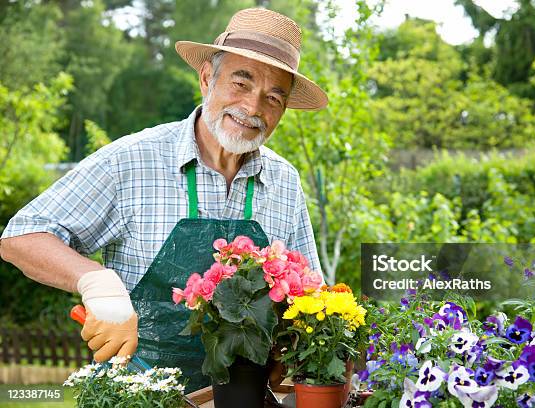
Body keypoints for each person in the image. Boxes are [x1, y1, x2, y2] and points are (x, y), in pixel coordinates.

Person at [0, 7, 327, 393]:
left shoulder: (284, 181)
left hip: (242, 397)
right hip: (135, 394)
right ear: (207, 78)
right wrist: (96, 282)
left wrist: (290, 343)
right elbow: (22, 235)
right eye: (241, 83)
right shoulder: (132, 160)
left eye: (273, 97)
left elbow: (312, 293)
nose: (253, 108)